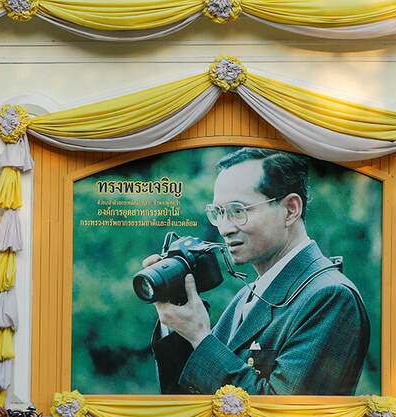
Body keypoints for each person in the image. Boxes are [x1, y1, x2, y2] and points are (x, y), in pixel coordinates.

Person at [147, 147, 370, 396]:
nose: (224, 228)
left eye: (238, 211)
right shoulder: (247, 296)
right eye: (218, 213)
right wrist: (177, 322)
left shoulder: (329, 296)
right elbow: (186, 400)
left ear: (290, 210)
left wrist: (200, 337)